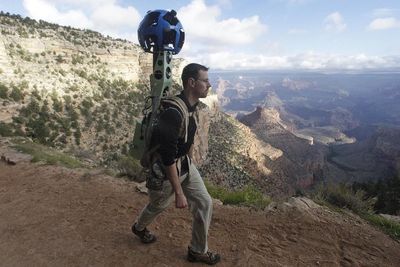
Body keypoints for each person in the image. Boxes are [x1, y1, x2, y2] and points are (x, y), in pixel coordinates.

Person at [132, 63, 221, 265]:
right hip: (165, 170)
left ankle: (197, 251)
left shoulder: (192, 107)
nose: (210, 84)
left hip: (185, 165)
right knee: (158, 205)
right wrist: (179, 192)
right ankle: (139, 227)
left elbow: (187, 138)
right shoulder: (173, 113)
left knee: (204, 202)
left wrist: (190, 162)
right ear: (191, 83)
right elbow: (167, 156)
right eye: (205, 80)